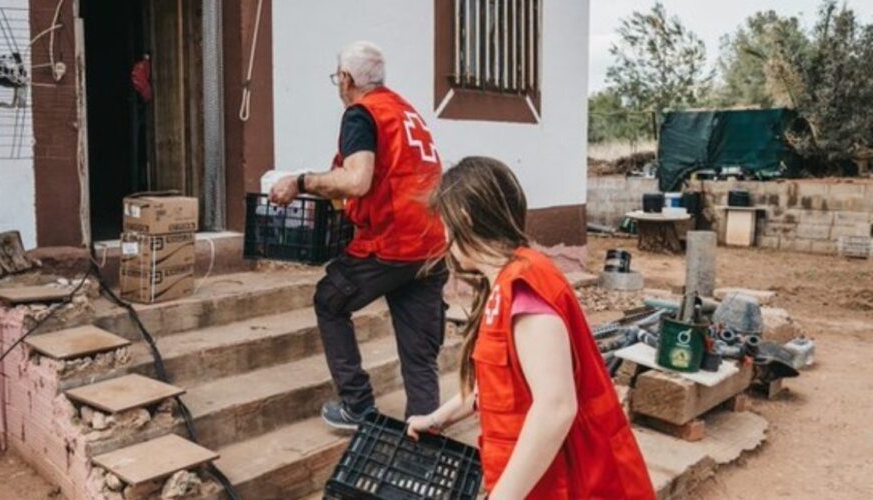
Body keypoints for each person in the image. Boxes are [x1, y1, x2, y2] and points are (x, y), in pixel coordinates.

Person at [405, 157, 655, 499]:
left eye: (446, 224)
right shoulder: (506, 284)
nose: (444, 236)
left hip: (572, 483)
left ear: (464, 219)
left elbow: (555, 407)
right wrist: (437, 419)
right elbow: (493, 387)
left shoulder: (524, 288)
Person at [269, 41, 448, 430]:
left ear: (347, 79)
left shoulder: (361, 114)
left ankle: (357, 405)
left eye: (338, 77)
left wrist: (301, 182)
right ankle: (423, 429)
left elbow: (357, 181)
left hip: (390, 242)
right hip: (431, 243)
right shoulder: (404, 110)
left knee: (329, 300)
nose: (338, 84)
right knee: (418, 350)